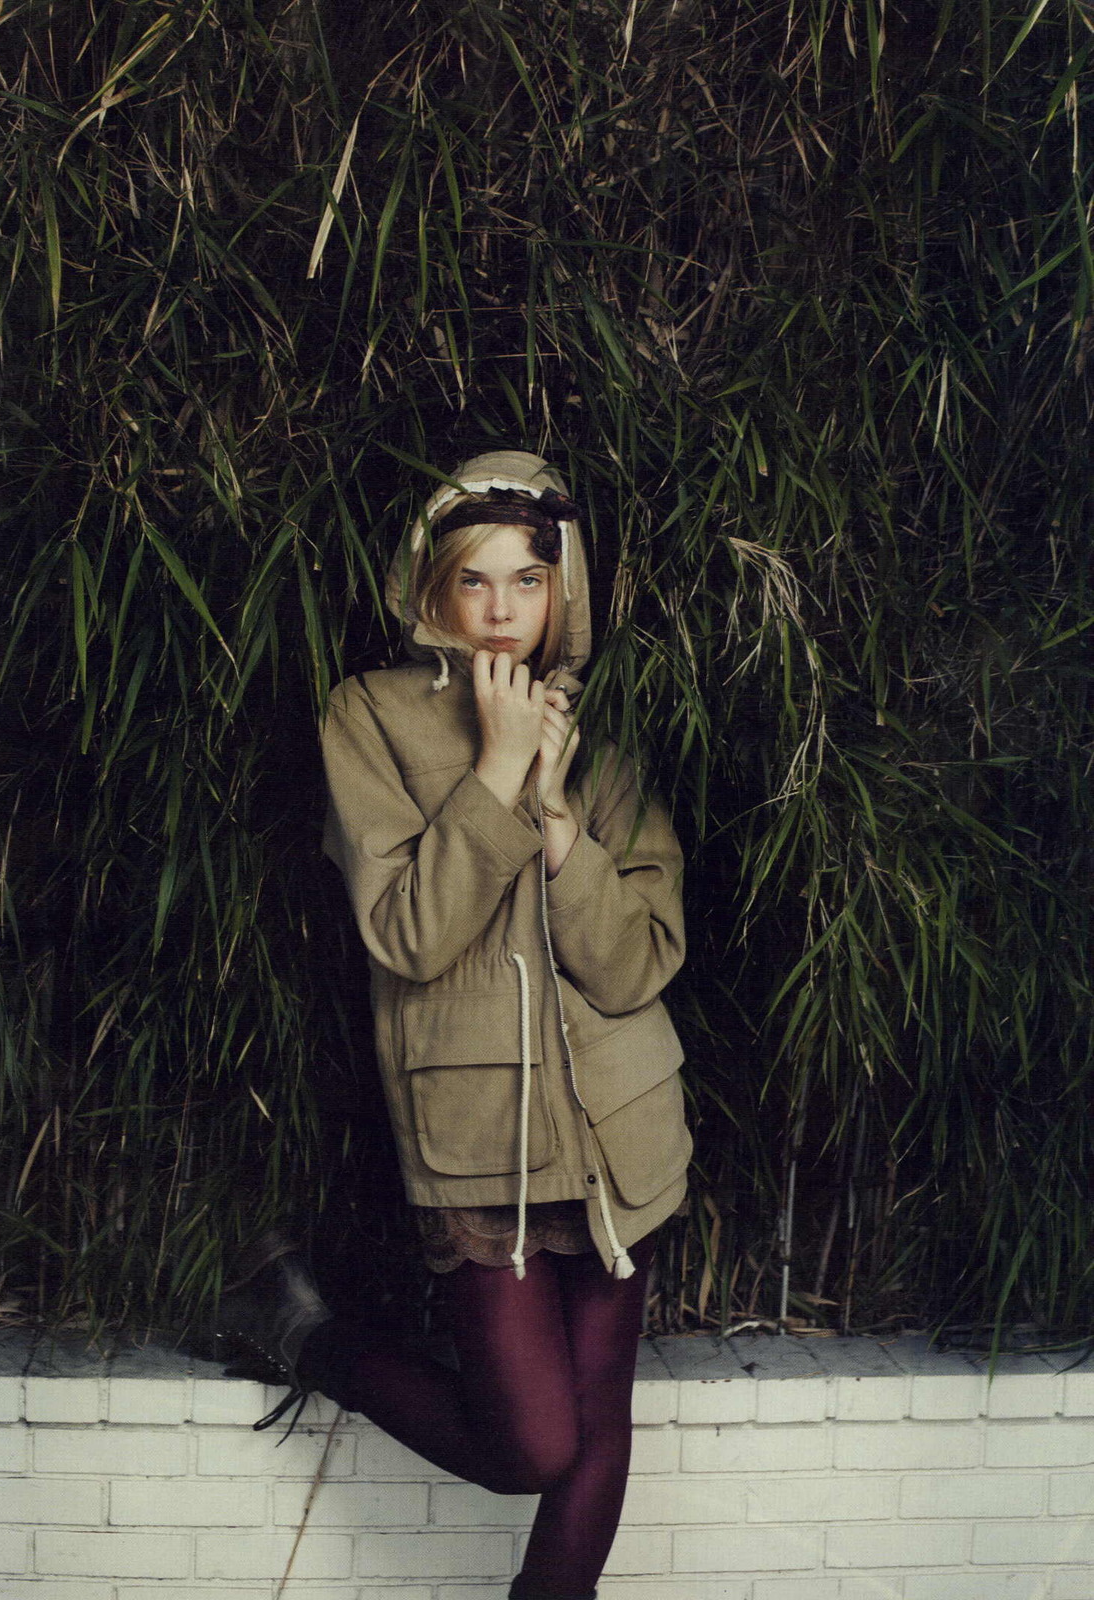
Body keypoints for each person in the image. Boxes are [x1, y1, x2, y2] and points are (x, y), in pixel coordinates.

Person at [219, 450, 692, 1600]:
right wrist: (497, 769)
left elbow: (637, 961)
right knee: (532, 1447)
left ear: (563, 587)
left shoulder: (604, 730)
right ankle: (309, 1337)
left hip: (622, 1120)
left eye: (527, 580)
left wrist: (563, 826)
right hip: (480, 1132)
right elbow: (411, 934)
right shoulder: (369, 716)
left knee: (599, 1426)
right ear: (428, 583)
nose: (500, 609)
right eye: (473, 579)